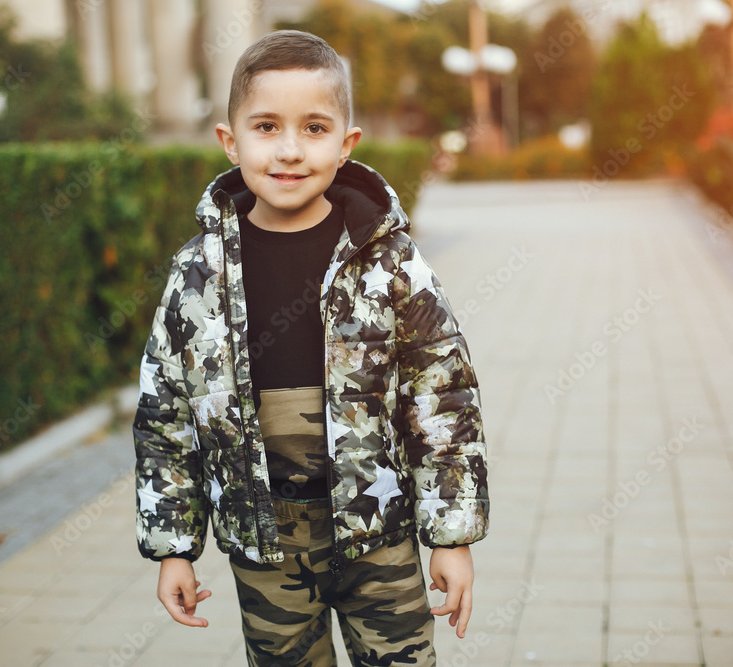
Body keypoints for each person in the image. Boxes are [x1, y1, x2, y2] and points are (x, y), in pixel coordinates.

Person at [133, 29, 489, 666]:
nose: (290, 150)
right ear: (230, 140)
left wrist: (451, 536)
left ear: (346, 143)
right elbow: (166, 415)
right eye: (266, 126)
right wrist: (174, 548)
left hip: (379, 534)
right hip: (265, 544)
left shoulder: (389, 262)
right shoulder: (197, 275)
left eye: (315, 128)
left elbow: (444, 397)